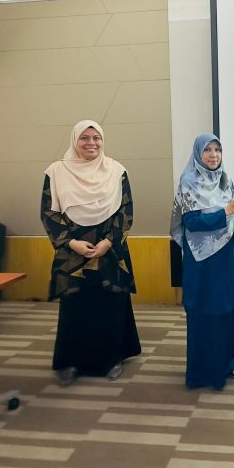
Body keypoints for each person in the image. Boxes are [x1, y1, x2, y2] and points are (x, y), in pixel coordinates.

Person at [41, 120, 141, 386]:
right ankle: (71, 363)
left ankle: (111, 360)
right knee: (76, 306)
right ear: (75, 140)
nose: (91, 143)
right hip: (73, 250)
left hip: (109, 249)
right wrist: (71, 242)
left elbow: (126, 210)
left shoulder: (117, 171)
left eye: (96, 138)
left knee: (110, 304)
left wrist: (109, 242)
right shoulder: (56, 172)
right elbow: (49, 212)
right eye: (84, 138)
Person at [171, 134, 234, 390]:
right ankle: (207, 370)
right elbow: (192, 223)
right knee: (206, 308)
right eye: (207, 150)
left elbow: (232, 219)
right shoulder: (189, 181)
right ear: (198, 154)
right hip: (202, 258)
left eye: (217, 149)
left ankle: (226, 358)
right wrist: (227, 210)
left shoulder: (225, 179)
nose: (213, 155)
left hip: (224, 254)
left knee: (226, 304)